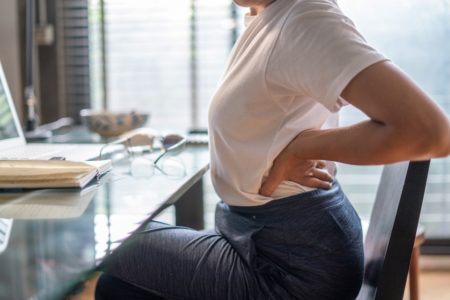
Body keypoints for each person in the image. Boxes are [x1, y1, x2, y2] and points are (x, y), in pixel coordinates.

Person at [94, 0, 450, 299]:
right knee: (118, 283)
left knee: (104, 244)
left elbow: (429, 132)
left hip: (292, 267)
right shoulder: (270, 17)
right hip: (262, 239)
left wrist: (305, 147)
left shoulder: (307, 20)